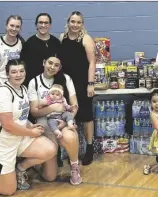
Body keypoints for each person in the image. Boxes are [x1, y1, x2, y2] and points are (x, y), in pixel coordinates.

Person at [0, 60, 57, 195]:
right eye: (14, 72)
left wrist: (30, 125)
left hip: (19, 138)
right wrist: (31, 132)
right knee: (8, 190)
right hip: (1, 144)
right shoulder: (3, 93)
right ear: (7, 74)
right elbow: (8, 125)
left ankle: (20, 169)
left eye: (21, 71)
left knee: (50, 149)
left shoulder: (23, 88)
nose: (18, 74)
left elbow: (21, 116)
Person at [28, 56, 82, 185]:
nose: (52, 67)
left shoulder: (66, 79)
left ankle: (74, 168)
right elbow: (34, 111)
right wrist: (52, 107)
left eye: (56, 65)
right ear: (43, 62)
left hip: (62, 119)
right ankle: (38, 163)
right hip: (45, 123)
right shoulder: (34, 82)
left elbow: (74, 105)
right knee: (50, 177)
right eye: (50, 63)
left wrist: (67, 120)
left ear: (60, 67)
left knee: (69, 135)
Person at [58, 11, 96, 165]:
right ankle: (69, 149)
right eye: (72, 21)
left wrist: (90, 83)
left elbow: (92, 62)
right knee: (67, 116)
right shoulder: (62, 38)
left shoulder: (86, 39)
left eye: (78, 22)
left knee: (86, 117)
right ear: (68, 22)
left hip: (82, 83)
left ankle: (89, 148)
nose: (75, 25)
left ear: (82, 24)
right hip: (66, 84)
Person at [21, 13, 61, 87]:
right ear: (36, 24)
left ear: (50, 25)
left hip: (52, 84)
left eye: (46, 23)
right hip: (33, 84)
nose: (43, 25)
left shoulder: (56, 42)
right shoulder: (29, 43)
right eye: (40, 22)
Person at [0, 15, 23, 90]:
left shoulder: (21, 43)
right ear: (6, 26)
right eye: (12, 25)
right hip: (1, 80)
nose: (14, 29)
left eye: (17, 26)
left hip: (16, 80)